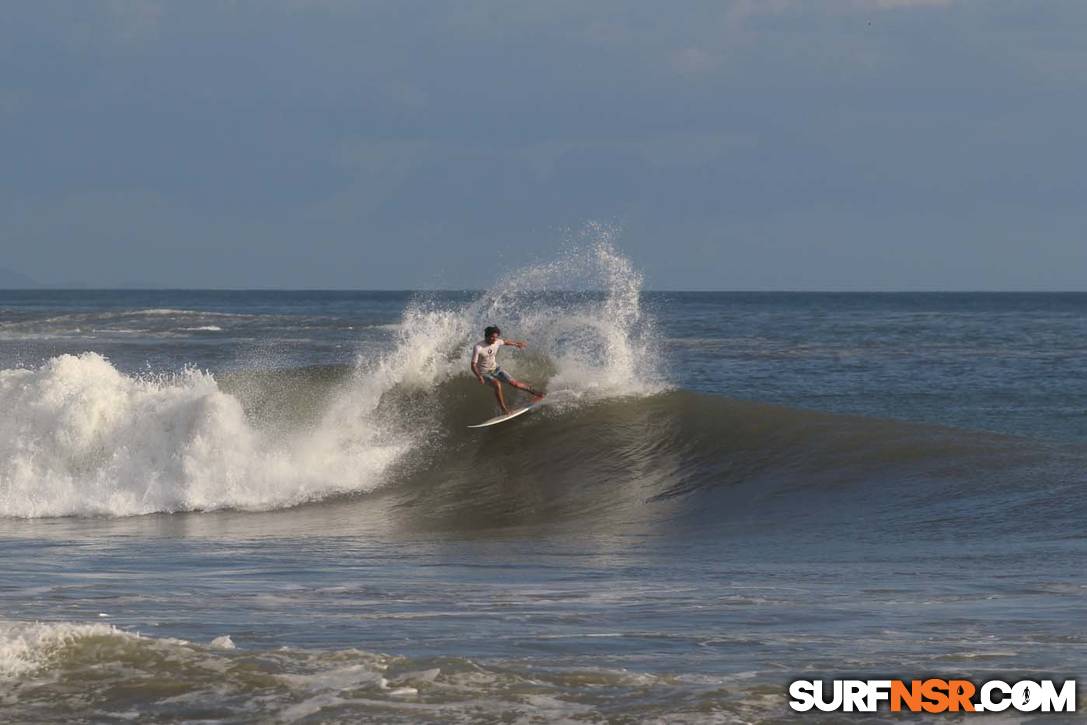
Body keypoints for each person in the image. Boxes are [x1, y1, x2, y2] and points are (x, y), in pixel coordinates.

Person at [470, 325, 544, 414]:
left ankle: (537, 393)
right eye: (492, 337)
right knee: (497, 384)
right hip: (484, 373)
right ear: (487, 336)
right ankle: (504, 410)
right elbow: (473, 365)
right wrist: (479, 376)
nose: (494, 339)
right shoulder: (478, 347)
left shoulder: (497, 341)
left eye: (496, 337)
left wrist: (517, 344)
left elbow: (505, 342)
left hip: (496, 368)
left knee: (515, 383)